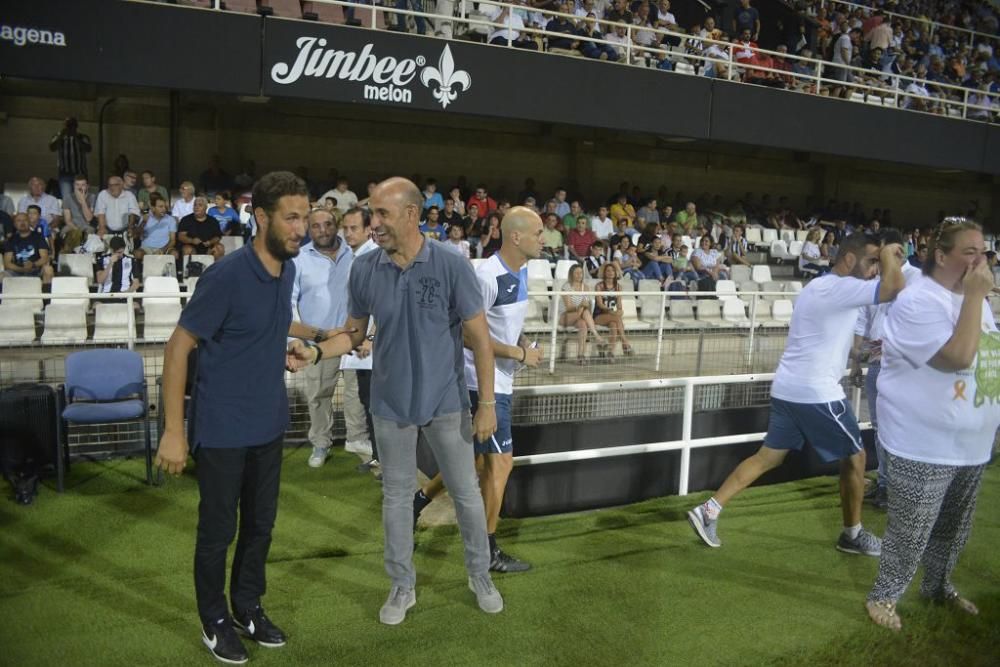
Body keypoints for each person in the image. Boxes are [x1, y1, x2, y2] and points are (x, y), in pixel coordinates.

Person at [285, 177, 504, 625]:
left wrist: (486, 405)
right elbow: (352, 332)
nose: (373, 223)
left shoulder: (450, 264)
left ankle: (480, 574)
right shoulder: (364, 269)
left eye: (383, 214)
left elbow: (479, 338)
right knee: (397, 498)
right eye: (372, 214)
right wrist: (313, 350)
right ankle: (402, 586)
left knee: (466, 493)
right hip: (389, 404)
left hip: (446, 402)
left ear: (411, 214)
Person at [154, 171, 316, 665]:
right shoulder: (224, 275)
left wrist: (317, 333)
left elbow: (271, 321)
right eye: (292, 218)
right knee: (218, 531)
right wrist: (173, 431)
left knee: (261, 526)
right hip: (222, 431)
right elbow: (178, 347)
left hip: (269, 425)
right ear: (261, 218)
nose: (301, 228)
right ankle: (215, 619)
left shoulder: (286, 270)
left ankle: (247, 607)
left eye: (305, 217)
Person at [687, 233, 905, 556]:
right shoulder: (843, 287)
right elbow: (894, 288)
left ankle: (709, 510)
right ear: (849, 260)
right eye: (870, 260)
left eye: (877, 262)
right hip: (816, 392)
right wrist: (889, 254)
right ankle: (852, 535)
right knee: (857, 457)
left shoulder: (817, 286)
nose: (875, 268)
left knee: (769, 457)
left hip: (788, 387)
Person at [866, 218, 1000, 631]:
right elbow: (958, 357)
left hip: (970, 442)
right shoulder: (918, 301)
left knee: (954, 528)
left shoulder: (976, 300)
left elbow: (987, 364)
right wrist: (978, 296)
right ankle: (883, 595)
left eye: (985, 252)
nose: (982, 261)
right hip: (922, 442)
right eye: (970, 252)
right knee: (912, 530)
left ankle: (937, 586)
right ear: (940, 256)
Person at [413, 207, 546, 572]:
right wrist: (519, 353)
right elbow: (469, 336)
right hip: (481, 386)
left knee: (475, 461)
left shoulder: (522, 270)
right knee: (501, 464)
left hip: (500, 380)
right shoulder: (486, 275)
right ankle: (487, 552)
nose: (544, 239)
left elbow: (500, 325)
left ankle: (417, 502)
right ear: (515, 236)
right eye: (538, 232)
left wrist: (522, 342)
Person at [292, 207, 355, 468]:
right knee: (318, 396)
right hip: (319, 342)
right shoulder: (298, 259)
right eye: (316, 226)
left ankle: (360, 443)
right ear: (309, 228)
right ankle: (320, 443)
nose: (323, 230)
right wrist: (294, 340)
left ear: (336, 225)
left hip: (355, 339)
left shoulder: (355, 253)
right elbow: (290, 301)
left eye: (328, 224)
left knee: (358, 396)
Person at [338, 207, 379, 471]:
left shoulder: (373, 259)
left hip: (371, 347)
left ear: (368, 230)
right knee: (368, 401)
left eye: (354, 228)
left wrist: (371, 338)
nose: (349, 233)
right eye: (346, 228)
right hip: (358, 344)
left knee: (376, 404)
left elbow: (380, 303)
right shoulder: (355, 257)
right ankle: (378, 455)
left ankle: (386, 459)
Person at [559, 264, 607, 362]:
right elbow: (568, 307)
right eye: (576, 273)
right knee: (583, 310)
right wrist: (580, 306)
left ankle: (580, 355)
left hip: (580, 315)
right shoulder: (566, 286)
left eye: (581, 273)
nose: (579, 275)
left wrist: (582, 307)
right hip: (566, 316)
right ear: (571, 274)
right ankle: (596, 335)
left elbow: (587, 307)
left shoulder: (585, 287)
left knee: (583, 324)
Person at [3, 212, 54, 284]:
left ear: (29, 222)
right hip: (17, 271)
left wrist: (33, 265)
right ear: (14, 224)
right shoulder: (11, 239)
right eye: (19, 221)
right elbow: (7, 263)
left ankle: (45, 294)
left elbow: (45, 258)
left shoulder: (38, 237)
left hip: (36, 269)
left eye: (25, 220)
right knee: (1, 275)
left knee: (48, 270)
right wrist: (22, 269)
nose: (22, 223)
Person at [49, 118, 91, 205]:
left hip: (80, 173)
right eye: (68, 125)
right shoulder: (58, 136)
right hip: (65, 174)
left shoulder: (83, 137)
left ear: (76, 126)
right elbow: (52, 147)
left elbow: (88, 149)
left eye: (73, 125)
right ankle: (68, 217)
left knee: (81, 198)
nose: (70, 127)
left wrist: (76, 137)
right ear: (64, 126)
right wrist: (61, 136)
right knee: (67, 199)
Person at [594, 263, 632, 357]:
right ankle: (625, 343)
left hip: (612, 316)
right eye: (608, 271)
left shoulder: (618, 287)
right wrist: (611, 312)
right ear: (604, 273)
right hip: (599, 315)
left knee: (614, 325)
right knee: (617, 319)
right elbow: (600, 304)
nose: (611, 273)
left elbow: (619, 305)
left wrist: (620, 311)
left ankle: (610, 352)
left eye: (613, 271)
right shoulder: (599, 286)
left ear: (615, 273)